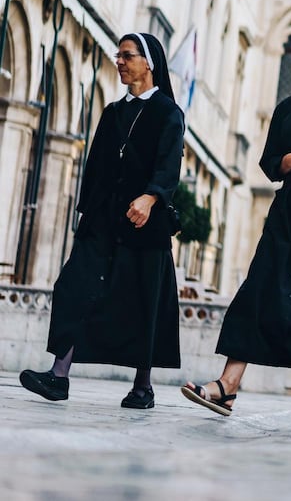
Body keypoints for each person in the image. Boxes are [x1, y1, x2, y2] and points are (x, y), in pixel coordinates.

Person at [180, 25, 291, 427]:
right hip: (289, 214)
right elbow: (267, 164)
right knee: (259, 290)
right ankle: (228, 385)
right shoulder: (286, 108)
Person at [19, 33, 184, 409]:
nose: (120, 62)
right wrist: (88, 215)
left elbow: (169, 163)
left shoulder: (168, 113)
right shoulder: (112, 113)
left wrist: (151, 196)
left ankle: (143, 386)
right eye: (119, 55)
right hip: (103, 222)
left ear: (149, 63)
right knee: (74, 289)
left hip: (145, 224)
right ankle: (59, 376)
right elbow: (95, 167)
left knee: (142, 301)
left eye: (127, 56)